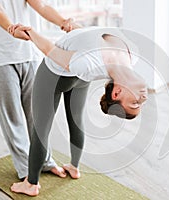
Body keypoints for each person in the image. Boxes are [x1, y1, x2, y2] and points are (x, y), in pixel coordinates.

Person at [10, 25, 148, 196]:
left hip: (54, 75)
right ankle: (74, 168)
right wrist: (76, 32)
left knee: (41, 129)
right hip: (79, 78)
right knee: (76, 122)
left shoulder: (86, 63)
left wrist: (29, 32)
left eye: (135, 103)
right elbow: (94, 36)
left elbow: (49, 49)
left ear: (117, 92)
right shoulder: (132, 53)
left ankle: (31, 184)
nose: (143, 99)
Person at [0, 0, 79, 180]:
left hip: (29, 55)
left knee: (37, 114)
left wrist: (64, 22)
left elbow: (42, 6)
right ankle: (24, 168)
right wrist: (12, 28)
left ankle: (45, 161)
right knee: (12, 117)